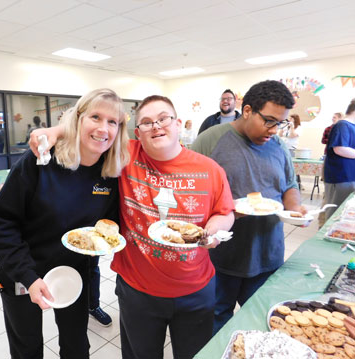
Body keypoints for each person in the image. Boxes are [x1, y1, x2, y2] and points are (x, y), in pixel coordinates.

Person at [30, 95, 235, 358]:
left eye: (163, 119)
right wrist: (54, 131)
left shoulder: (210, 169)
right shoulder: (125, 155)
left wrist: (213, 232)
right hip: (138, 290)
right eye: (147, 123)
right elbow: (92, 129)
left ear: (178, 123)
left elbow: (224, 212)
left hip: (195, 290)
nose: (156, 126)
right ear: (137, 132)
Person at [0, 88, 130, 359]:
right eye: (95, 117)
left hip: (72, 272)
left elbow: (107, 224)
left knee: (76, 346)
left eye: (113, 122)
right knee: (26, 347)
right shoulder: (41, 160)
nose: (103, 128)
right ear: (77, 120)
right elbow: (1, 222)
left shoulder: (109, 174)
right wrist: (29, 277)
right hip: (22, 272)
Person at [192, 80, 307, 335]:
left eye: (281, 123)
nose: (275, 130)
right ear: (247, 111)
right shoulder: (210, 141)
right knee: (215, 322)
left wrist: (295, 209)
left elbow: (288, 185)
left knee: (261, 322)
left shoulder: (278, 147)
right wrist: (229, 211)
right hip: (220, 258)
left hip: (267, 255)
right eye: (269, 120)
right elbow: (190, 192)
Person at [323, 99, 355, 220]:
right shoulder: (343, 125)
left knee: (345, 212)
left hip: (349, 175)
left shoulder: (351, 126)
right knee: (335, 212)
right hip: (340, 176)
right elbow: (340, 149)